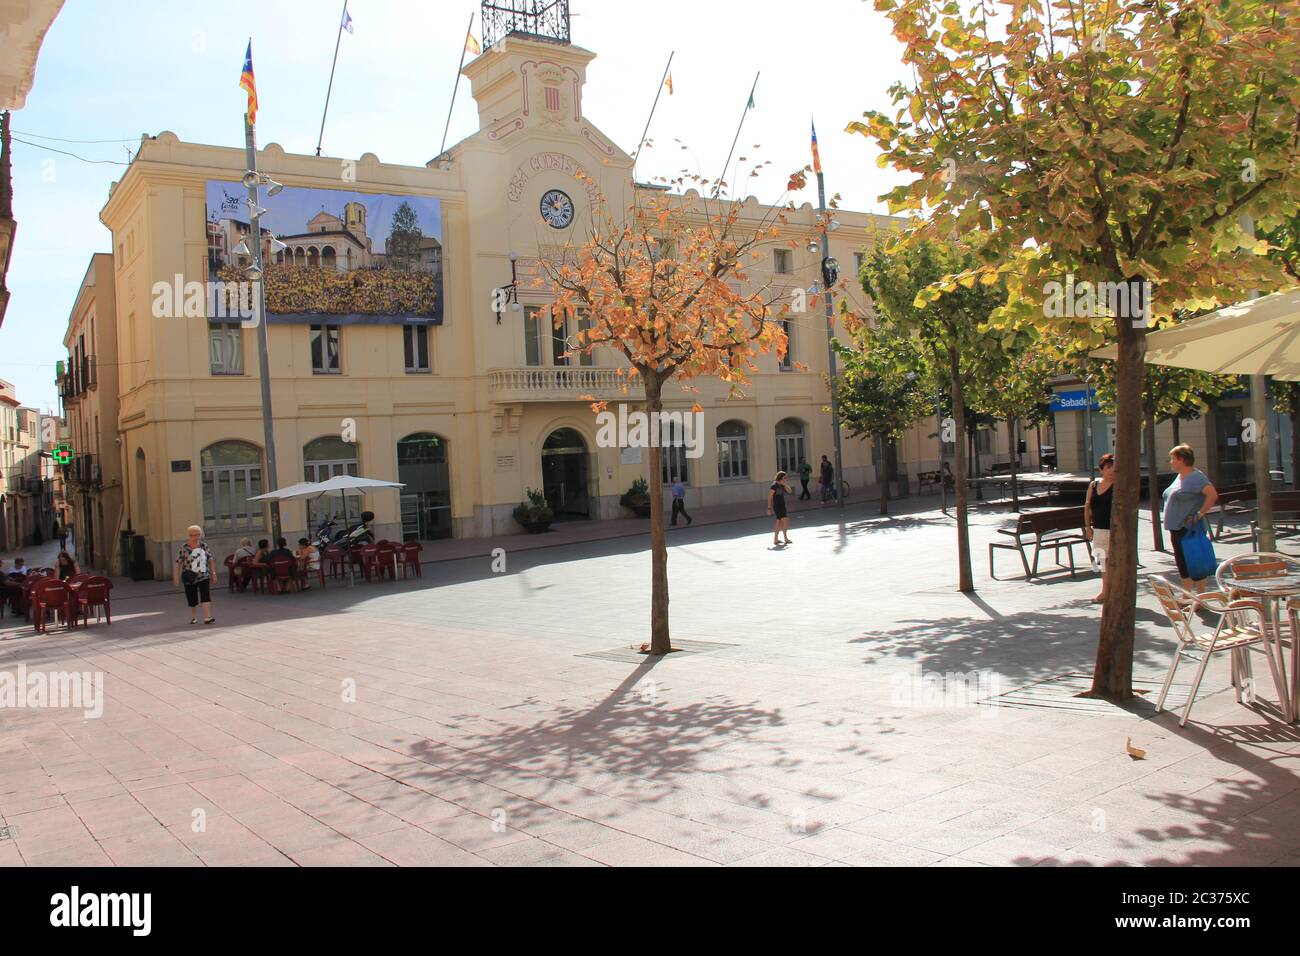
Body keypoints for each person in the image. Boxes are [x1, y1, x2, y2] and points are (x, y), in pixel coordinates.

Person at [1163, 444, 1219, 597]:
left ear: (1182, 459)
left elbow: (1212, 495)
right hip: (1176, 527)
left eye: (1173, 459)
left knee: (1194, 561)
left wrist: (1200, 514)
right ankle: (1187, 595)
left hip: (1188, 527)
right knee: (1182, 563)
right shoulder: (1180, 476)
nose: (1171, 462)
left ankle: (1200, 596)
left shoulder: (1196, 477)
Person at [1084, 454, 1115, 604]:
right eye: (1108, 467)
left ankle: (1115, 591)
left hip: (1114, 531)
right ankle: (1105, 591)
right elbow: (1087, 506)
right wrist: (1087, 526)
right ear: (1101, 469)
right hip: (1098, 530)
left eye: (1114, 467)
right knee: (1103, 561)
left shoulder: (1118, 485)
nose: (1112, 470)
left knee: (1114, 561)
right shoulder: (1094, 485)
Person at [174, 525, 215, 625]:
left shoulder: (203, 546)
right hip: (189, 576)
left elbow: (210, 559)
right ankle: (194, 617)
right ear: (189, 535)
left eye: (198, 535)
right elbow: (178, 562)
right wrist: (176, 577)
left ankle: (207, 617)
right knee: (192, 598)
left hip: (203, 575)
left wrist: (213, 573)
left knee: (205, 596)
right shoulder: (184, 548)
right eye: (193, 535)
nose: (196, 537)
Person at [768, 470, 793, 547]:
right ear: (781, 477)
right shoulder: (774, 486)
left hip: (782, 505)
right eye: (785, 478)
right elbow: (769, 497)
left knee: (779, 522)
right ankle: (785, 538)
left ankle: (775, 539)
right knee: (785, 520)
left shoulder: (782, 485)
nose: (786, 479)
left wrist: (785, 484)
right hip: (778, 506)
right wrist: (769, 508)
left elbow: (790, 491)